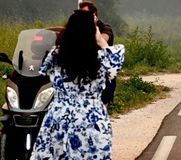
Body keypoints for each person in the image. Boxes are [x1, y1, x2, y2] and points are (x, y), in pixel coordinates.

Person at [30, 10, 125, 159]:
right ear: (93, 31)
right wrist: (99, 39)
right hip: (91, 118)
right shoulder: (99, 59)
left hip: (60, 116)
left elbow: (43, 71)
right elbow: (114, 63)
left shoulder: (57, 55)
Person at [78, 0, 116, 105]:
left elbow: (101, 41)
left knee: (102, 106)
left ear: (93, 14)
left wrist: (93, 26)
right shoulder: (80, 29)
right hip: (87, 73)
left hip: (103, 72)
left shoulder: (104, 27)